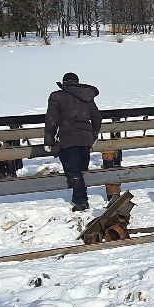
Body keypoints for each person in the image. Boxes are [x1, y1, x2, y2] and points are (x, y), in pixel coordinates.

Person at [45, 72, 103, 210]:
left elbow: (51, 120)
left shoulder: (56, 96)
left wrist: (48, 140)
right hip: (85, 139)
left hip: (67, 138)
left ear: (64, 83)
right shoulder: (86, 96)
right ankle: (80, 196)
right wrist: (93, 136)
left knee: (74, 172)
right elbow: (97, 118)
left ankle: (81, 201)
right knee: (81, 170)